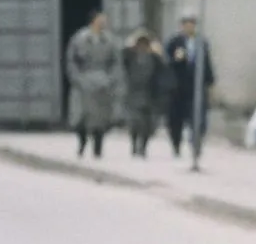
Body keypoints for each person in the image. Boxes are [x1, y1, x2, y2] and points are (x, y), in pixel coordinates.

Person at [65, 10, 122, 159]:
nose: (103, 23)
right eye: (100, 20)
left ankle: (98, 148)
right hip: (83, 82)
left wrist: (111, 79)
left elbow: (116, 62)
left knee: (100, 119)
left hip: (102, 83)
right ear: (93, 21)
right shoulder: (80, 39)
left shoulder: (110, 41)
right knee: (80, 117)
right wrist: (76, 78)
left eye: (104, 20)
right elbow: (71, 60)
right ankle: (82, 142)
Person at [164, 14, 215, 157]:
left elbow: (207, 64)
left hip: (196, 87)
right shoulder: (174, 42)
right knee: (176, 120)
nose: (189, 27)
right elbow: (166, 63)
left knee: (198, 118)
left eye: (192, 24)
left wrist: (210, 83)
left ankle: (196, 146)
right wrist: (176, 59)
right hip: (178, 87)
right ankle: (176, 145)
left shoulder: (201, 42)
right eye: (186, 24)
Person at [123, 30, 164, 158]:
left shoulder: (154, 59)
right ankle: (134, 144)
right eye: (140, 43)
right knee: (135, 122)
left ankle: (143, 147)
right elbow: (121, 58)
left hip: (149, 95)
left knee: (147, 124)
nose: (142, 47)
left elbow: (162, 73)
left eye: (145, 44)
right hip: (133, 94)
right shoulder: (130, 57)